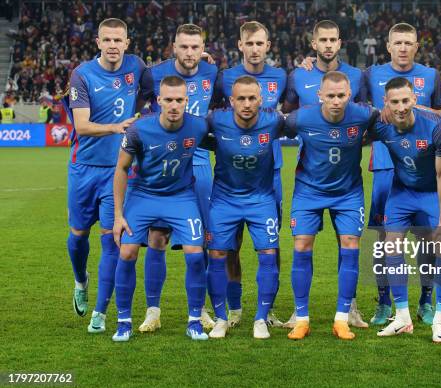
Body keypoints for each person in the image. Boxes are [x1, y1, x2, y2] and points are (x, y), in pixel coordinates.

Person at [282, 19, 368, 329]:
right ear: (313, 43)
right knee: (302, 244)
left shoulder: (358, 77)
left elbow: (370, 119)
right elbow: (285, 116)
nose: (329, 44)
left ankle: (350, 309)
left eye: (334, 39)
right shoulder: (299, 75)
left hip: (347, 181)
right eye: (323, 39)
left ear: (340, 42)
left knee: (349, 242)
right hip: (310, 178)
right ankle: (299, 313)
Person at [111, 75, 209, 342]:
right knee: (128, 251)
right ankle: (123, 321)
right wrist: (118, 215)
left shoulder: (199, 126)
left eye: (179, 100)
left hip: (181, 197)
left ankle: (194, 321)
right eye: (168, 100)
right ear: (158, 101)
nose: (174, 105)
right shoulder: (139, 130)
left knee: (195, 254)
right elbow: (121, 168)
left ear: (187, 101)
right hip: (144, 195)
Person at [64, 18, 146, 334]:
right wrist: (116, 127)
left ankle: (100, 312)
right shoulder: (82, 75)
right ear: (98, 42)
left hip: (118, 172)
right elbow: (81, 125)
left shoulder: (137, 67)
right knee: (78, 236)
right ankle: (81, 280)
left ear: (127, 42)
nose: (113, 45)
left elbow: (168, 76)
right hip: (84, 168)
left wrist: (203, 57)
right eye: (107, 40)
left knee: (112, 242)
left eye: (118, 40)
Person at [362, 22, 441, 326]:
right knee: (385, 240)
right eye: (397, 42)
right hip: (386, 165)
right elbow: (360, 110)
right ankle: (385, 302)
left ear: (416, 46)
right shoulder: (370, 75)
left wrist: (418, 110)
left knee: (428, 238)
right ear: (388, 46)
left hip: (421, 167)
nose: (402, 48)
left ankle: (425, 299)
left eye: (408, 43)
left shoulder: (430, 76)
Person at [137, 23, 218, 333]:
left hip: (198, 165)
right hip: (160, 165)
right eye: (183, 47)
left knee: (202, 243)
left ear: (203, 49)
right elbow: (138, 110)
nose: (189, 52)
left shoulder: (212, 73)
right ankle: (152, 311)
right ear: (173, 47)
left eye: (195, 47)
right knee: (157, 238)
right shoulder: (153, 74)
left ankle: (201, 309)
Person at [367, 77, 441, 340]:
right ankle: (402, 316)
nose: (401, 107)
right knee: (390, 246)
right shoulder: (381, 126)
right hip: (401, 192)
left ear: (414, 99)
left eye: (406, 100)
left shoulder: (436, 128)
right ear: (386, 103)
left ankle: (439, 317)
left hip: (432, 191)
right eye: (395, 102)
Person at [212, 21, 287, 329]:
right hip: (231, 169)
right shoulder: (224, 77)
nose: (255, 49)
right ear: (240, 45)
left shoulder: (283, 76)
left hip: (271, 171)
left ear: (268, 46)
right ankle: (234, 307)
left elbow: (294, 111)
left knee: (270, 242)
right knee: (231, 244)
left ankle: (266, 310)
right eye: (250, 43)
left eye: (260, 43)